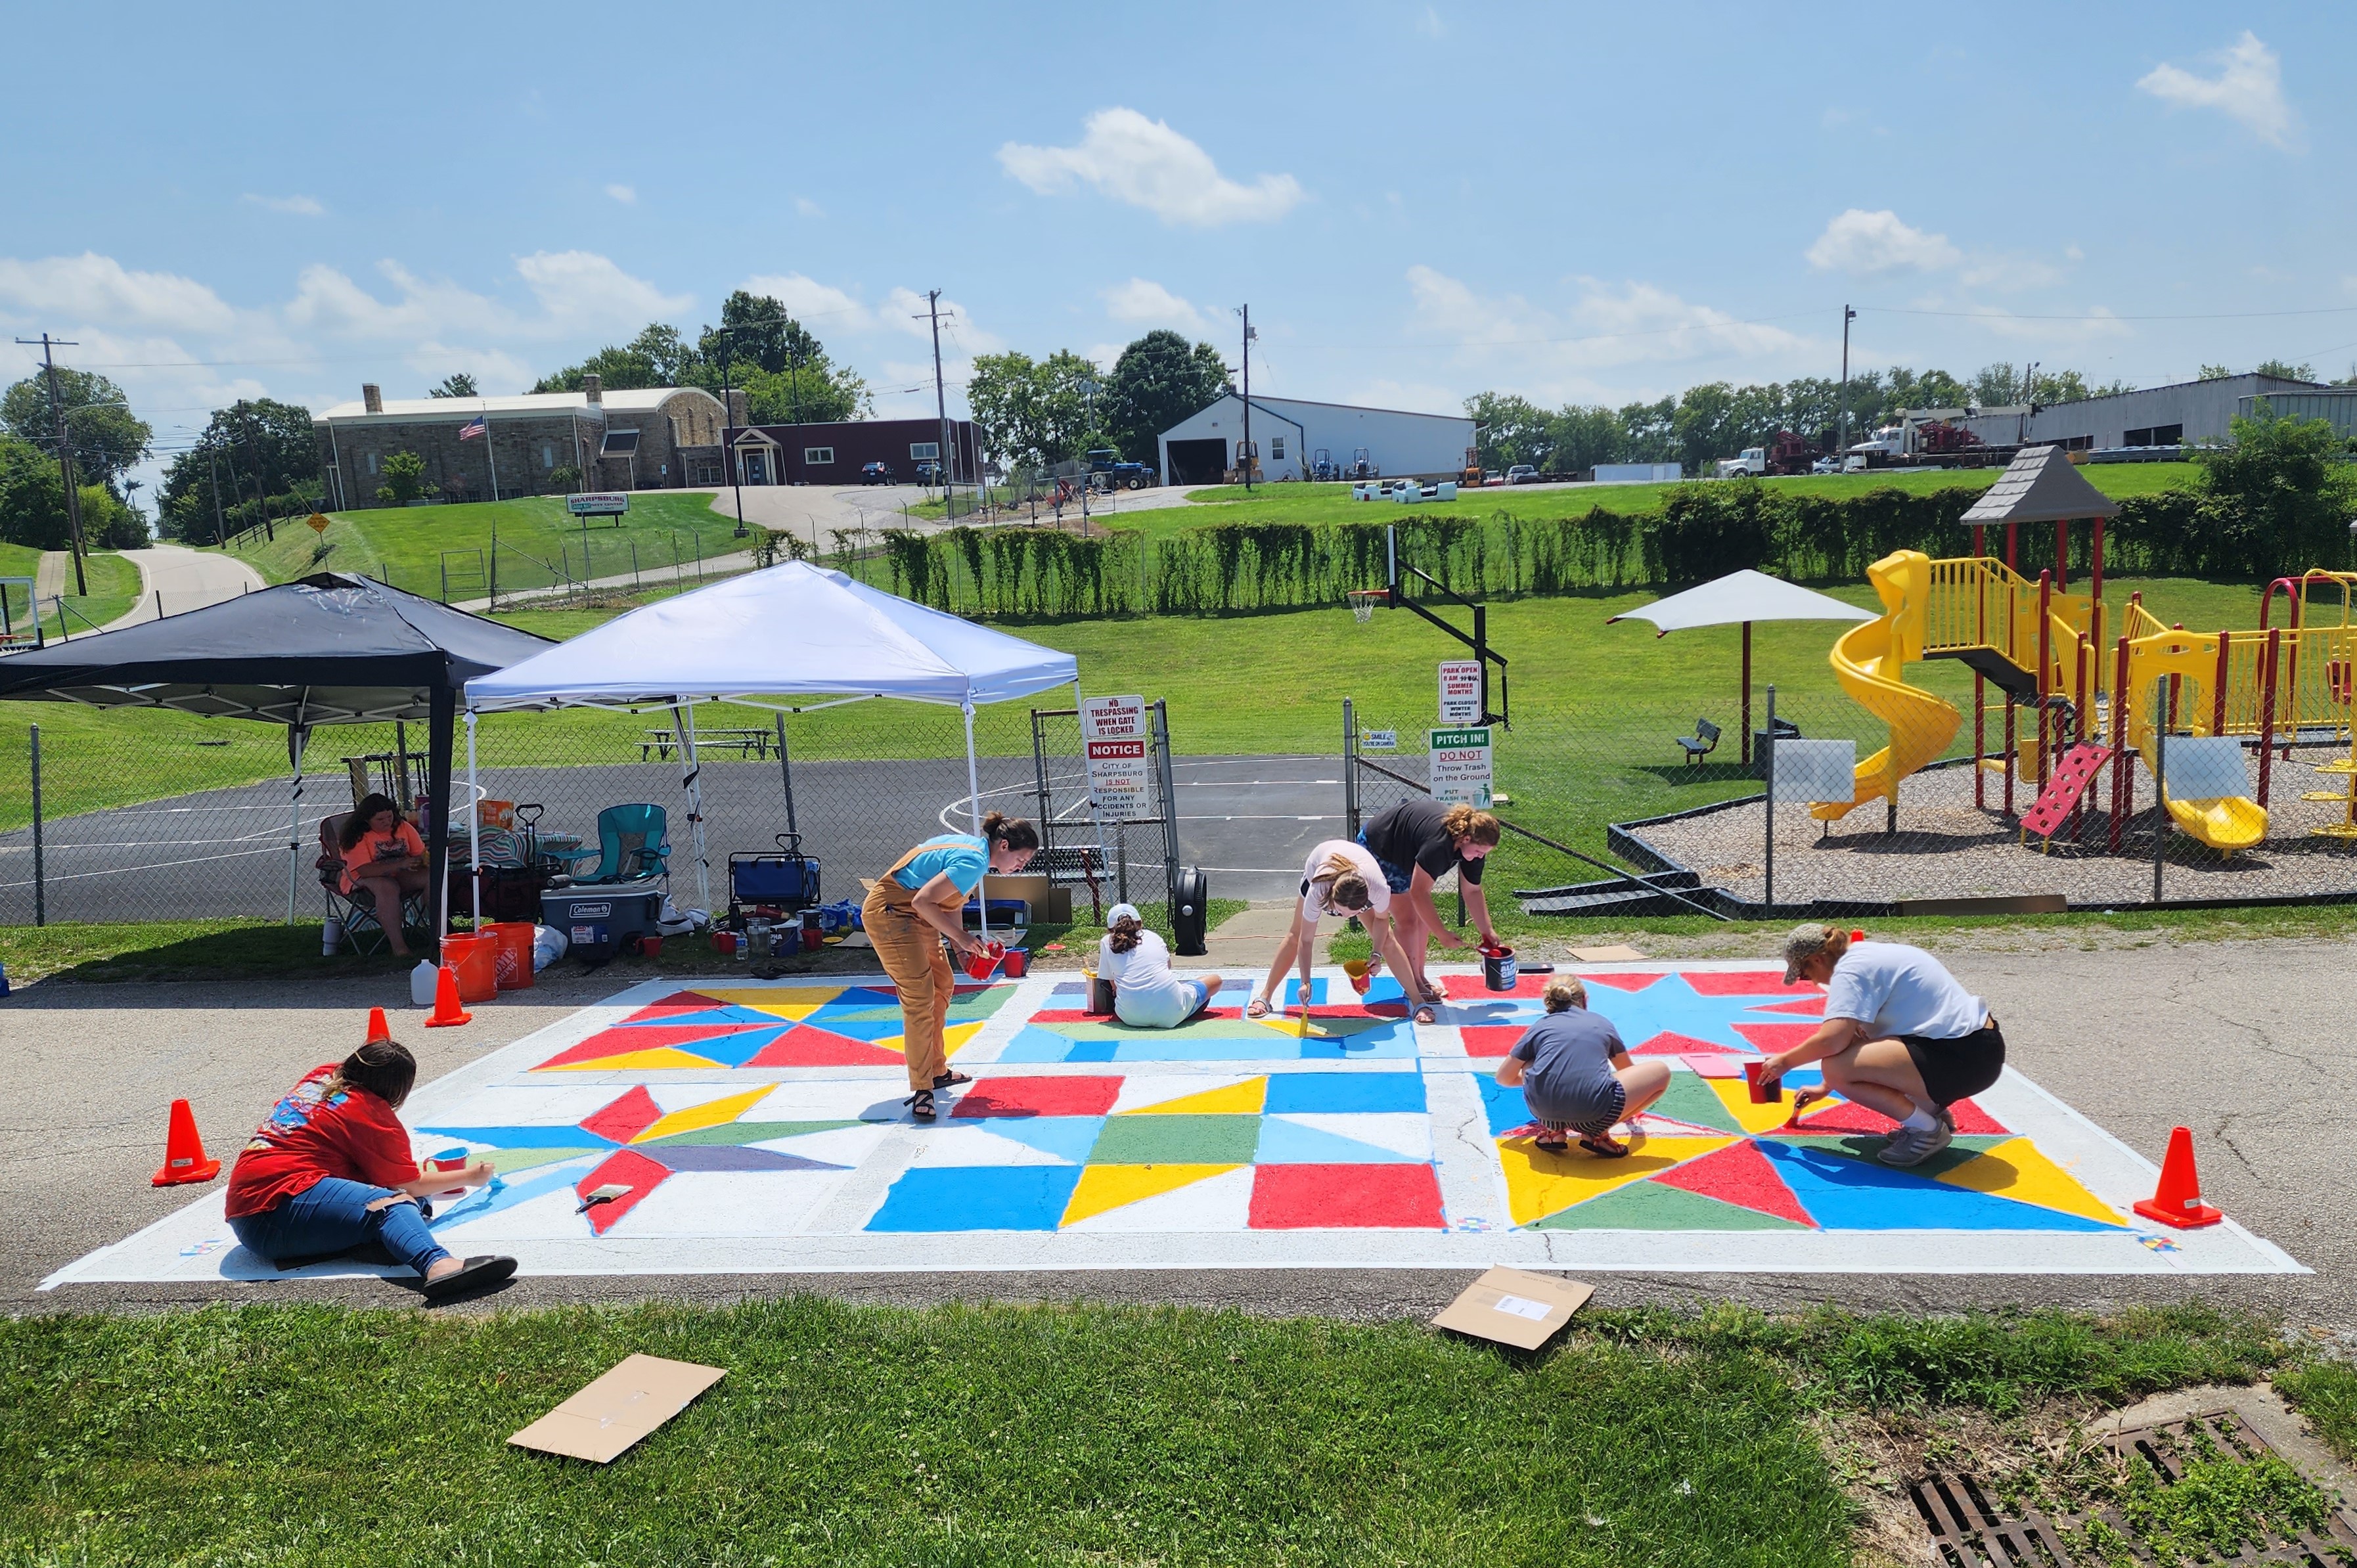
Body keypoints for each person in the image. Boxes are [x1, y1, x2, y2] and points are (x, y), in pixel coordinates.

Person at [225, 1039, 515, 1301]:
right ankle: (439, 1266)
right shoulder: (371, 1114)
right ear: (396, 1089)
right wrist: (470, 1176)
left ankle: (373, 1242)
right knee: (395, 1204)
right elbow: (410, 1183)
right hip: (273, 1212)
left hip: (256, 1204)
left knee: (409, 1204)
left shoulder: (323, 1076)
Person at [1759, 925, 2006, 1168]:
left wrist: (1785, 1062)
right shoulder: (1866, 956)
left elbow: (1832, 1040)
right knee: (1844, 1062)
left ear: (1818, 959)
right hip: (1976, 1052)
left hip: (1962, 1058)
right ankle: (1929, 1114)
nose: (1811, 982)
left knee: (1835, 1067)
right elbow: (1855, 1039)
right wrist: (1825, 1088)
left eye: (1805, 974)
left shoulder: (1850, 970)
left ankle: (1927, 1129)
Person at [862, 811, 1039, 1121]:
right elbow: (922, 903)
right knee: (919, 997)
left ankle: (936, 1069)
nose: (1021, 866)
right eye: (1022, 860)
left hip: (915, 914)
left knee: (943, 984)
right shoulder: (974, 862)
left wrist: (959, 948)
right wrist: (963, 938)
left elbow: (950, 903)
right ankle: (922, 1089)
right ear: (1005, 846)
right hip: (892, 913)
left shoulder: (975, 854)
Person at [1247, 838, 1431, 1024]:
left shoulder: (1379, 888)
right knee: (1295, 934)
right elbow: (1306, 940)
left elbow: (1382, 920)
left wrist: (1376, 953)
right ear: (1332, 899)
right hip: (1320, 866)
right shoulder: (1318, 890)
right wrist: (1305, 982)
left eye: (1354, 913)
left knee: (1388, 940)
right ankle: (1265, 997)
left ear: (1366, 901)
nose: (1344, 918)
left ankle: (1418, 1001)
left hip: (1358, 872)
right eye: (1341, 912)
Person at [1494, 977, 1669, 1157]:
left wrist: (1543, 1078)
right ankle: (1597, 1134)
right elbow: (1627, 1071)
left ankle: (1553, 1132)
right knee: (1660, 1072)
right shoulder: (1601, 1023)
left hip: (1544, 1113)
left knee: (1530, 1058)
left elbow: (1503, 1078)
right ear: (1585, 999)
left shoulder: (1539, 1026)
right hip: (1595, 1114)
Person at [1357, 799, 1502, 1005]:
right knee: (1408, 920)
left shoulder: (1472, 847)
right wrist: (1442, 935)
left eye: (1485, 854)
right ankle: (1413, 983)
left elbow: (1472, 890)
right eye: (1479, 852)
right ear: (1466, 838)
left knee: (1423, 919)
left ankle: (1420, 977)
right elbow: (1418, 893)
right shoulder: (1439, 846)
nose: (1480, 857)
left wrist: (1487, 931)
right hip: (1381, 847)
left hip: (1407, 849)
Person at [1096, 902, 1220, 1028]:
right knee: (1215, 980)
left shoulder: (1107, 942)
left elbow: (1113, 984)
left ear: (1110, 929)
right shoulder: (1153, 937)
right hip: (1172, 1014)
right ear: (1141, 922)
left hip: (1130, 1017)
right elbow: (1167, 966)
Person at [338, 792, 428, 958]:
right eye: (380, 820)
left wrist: (420, 861)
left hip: (399, 874)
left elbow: (420, 853)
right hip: (361, 881)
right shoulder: (356, 836)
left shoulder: (403, 827)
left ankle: (439, 936)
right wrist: (400, 864)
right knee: (387, 886)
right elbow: (363, 870)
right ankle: (399, 948)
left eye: (389, 816)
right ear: (366, 820)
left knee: (432, 877)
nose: (387, 822)